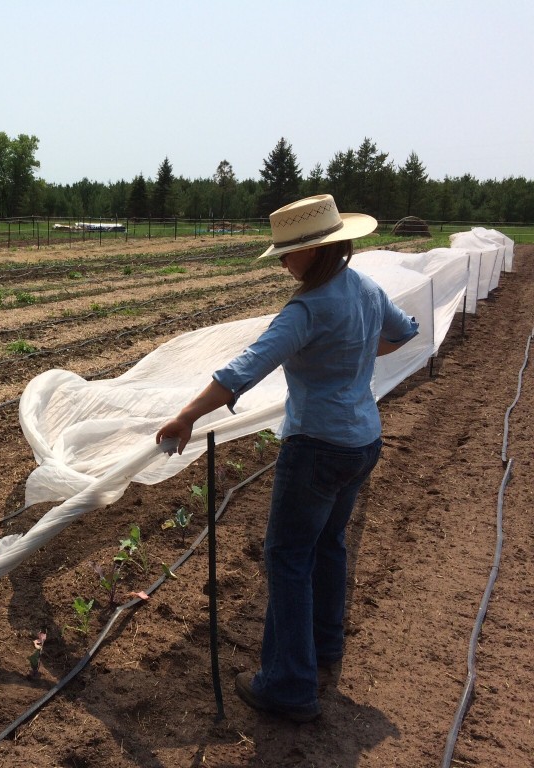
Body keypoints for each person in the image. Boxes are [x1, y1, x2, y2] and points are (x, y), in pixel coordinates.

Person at [155, 194, 419, 723]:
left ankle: (289, 685)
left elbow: (244, 369)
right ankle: (324, 649)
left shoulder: (307, 308)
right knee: (328, 545)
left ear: (317, 251)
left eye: (288, 252)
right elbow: (405, 330)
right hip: (362, 442)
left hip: (316, 447)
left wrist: (186, 415)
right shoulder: (366, 289)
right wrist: (357, 354)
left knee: (289, 558)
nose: (282, 261)